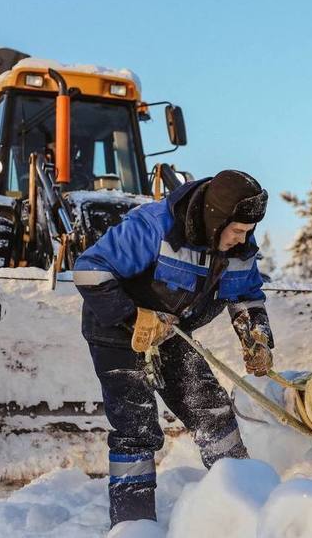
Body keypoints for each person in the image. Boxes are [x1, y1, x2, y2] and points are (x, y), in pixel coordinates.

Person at [73, 170, 274, 527]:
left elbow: (247, 294)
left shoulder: (238, 245)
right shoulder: (155, 226)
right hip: (116, 331)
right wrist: (132, 316)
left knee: (212, 411)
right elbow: (89, 269)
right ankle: (134, 526)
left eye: (248, 230)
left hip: (169, 333)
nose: (243, 239)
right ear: (216, 219)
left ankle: (247, 509)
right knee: (136, 429)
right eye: (238, 230)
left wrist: (255, 336)